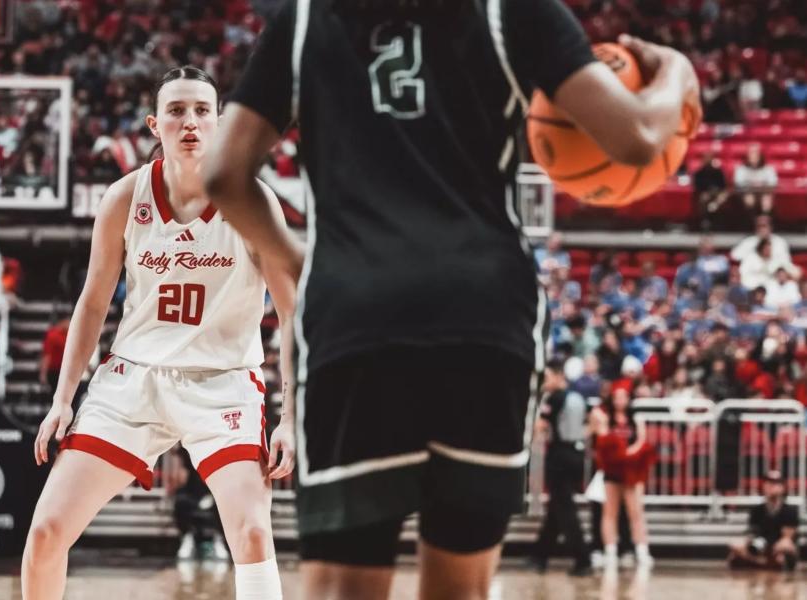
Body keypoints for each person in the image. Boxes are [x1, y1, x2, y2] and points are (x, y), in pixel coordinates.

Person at [204, 1, 698, 596]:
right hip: (484, 314)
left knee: (343, 587)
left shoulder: (307, 17)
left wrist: (293, 259)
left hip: (355, 309)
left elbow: (223, 175)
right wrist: (676, 73)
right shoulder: (514, 11)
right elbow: (640, 137)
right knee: (459, 588)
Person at [23, 66, 297, 600]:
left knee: (253, 532)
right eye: (176, 111)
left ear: (219, 123)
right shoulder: (125, 198)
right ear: (155, 123)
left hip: (224, 384)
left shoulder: (254, 202)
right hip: (131, 380)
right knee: (46, 531)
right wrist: (63, 398)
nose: (189, 121)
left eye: (201, 111)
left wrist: (292, 415)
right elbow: (93, 301)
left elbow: (292, 314)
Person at [530, 361, 592, 576]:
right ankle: (540, 554)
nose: (544, 383)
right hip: (577, 454)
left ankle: (583, 558)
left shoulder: (555, 398)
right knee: (557, 507)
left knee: (565, 510)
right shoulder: (577, 397)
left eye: (547, 378)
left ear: (558, 376)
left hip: (560, 456)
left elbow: (540, 426)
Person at [592, 388, 655, 570]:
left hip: (632, 471)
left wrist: (629, 454)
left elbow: (642, 441)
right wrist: (619, 454)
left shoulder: (636, 419)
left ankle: (642, 551)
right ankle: (610, 550)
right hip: (612, 470)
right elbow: (602, 439)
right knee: (609, 512)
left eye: (623, 397)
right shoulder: (606, 419)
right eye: (616, 397)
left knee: (635, 512)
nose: (620, 400)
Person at [728, 470, 799, 571]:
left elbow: (787, 538)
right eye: (769, 482)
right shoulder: (757, 510)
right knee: (736, 546)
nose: (771, 486)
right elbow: (752, 533)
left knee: (785, 546)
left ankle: (762, 562)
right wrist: (746, 544)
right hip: (760, 545)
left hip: (778, 547)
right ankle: (761, 562)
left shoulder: (789, 510)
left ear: (783, 487)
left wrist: (774, 548)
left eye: (776, 483)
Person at [733, 143, 778, 217]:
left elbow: (773, 183)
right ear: (747, 155)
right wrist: (752, 186)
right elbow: (738, 183)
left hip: (764, 193)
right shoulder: (741, 169)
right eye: (751, 153)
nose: (754, 156)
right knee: (749, 199)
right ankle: (749, 221)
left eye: (756, 153)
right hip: (746, 193)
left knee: (766, 200)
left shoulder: (768, 169)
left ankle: (765, 220)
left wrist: (761, 186)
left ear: (760, 155)